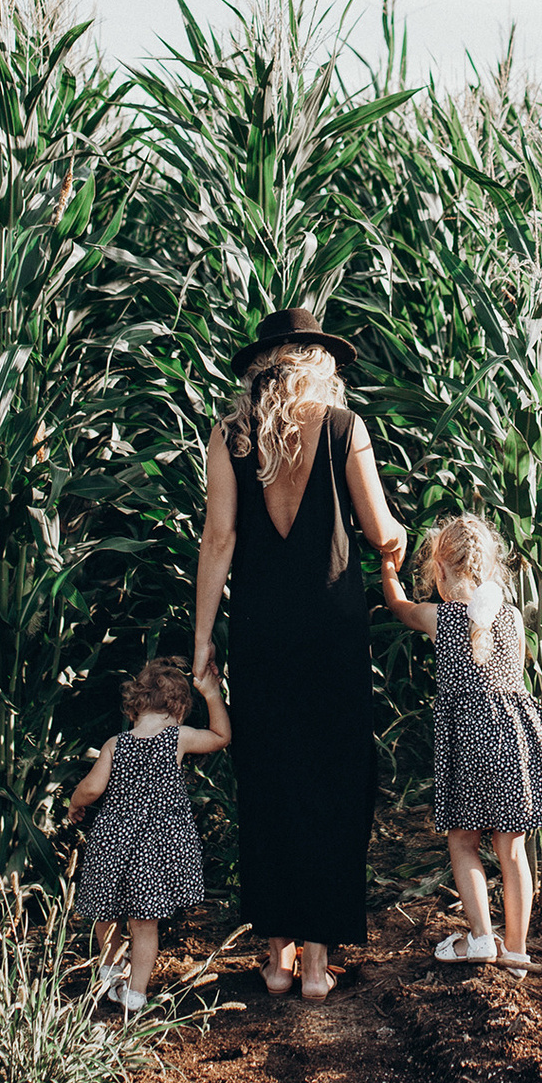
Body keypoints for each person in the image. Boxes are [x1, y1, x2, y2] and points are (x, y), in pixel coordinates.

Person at [193, 308, 407, 1002]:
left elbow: (219, 541)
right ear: (318, 361)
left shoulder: (229, 436)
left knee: (269, 777)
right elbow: (379, 530)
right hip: (332, 631)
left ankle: (274, 959)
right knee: (333, 780)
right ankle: (317, 963)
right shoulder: (346, 427)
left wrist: (203, 640)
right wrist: (398, 543)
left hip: (260, 630)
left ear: (262, 365)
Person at [379, 513, 542, 973]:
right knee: (511, 850)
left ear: (442, 572)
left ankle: (481, 938)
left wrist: (389, 566)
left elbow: (398, 606)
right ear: (490, 569)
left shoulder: (439, 619)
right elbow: (516, 676)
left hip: (467, 744)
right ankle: (516, 952)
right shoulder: (510, 617)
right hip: (512, 739)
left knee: (464, 842)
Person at [66, 658, 231, 1009]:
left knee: (104, 911)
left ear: (134, 705)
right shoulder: (177, 737)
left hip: (113, 843)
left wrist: (75, 803)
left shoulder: (117, 743)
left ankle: (109, 969)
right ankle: (136, 993)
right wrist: (213, 695)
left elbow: (93, 788)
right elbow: (221, 737)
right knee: (144, 925)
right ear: (180, 710)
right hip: (155, 849)